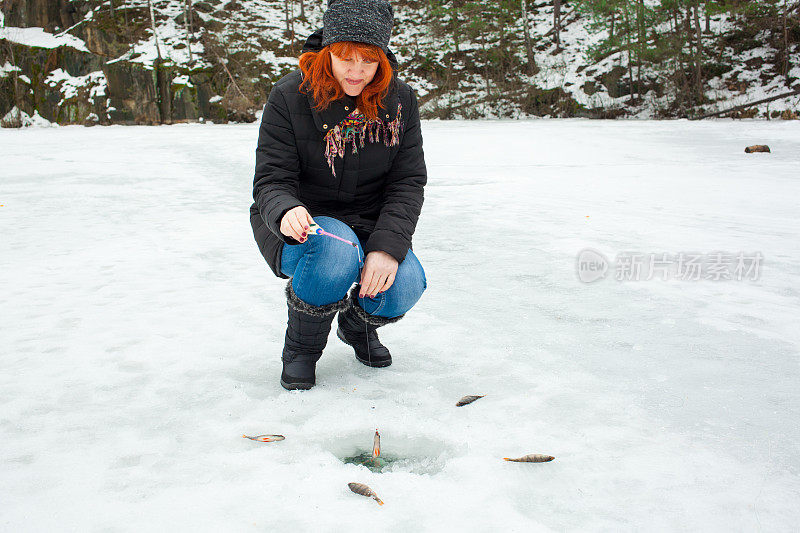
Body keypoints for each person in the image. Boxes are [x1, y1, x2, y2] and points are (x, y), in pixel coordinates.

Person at [249, 0, 428, 391]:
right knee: (338, 251)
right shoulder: (289, 96)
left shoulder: (400, 102)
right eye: (346, 58)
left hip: (369, 222)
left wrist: (387, 247)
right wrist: (285, 209)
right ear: (328, 50)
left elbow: (407, 183)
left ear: (382, 58)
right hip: (301, 225)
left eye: (368, 60)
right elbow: (271, 179)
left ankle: (356, 325)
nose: (357, 71)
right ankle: (301, 350)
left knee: (408, 282)